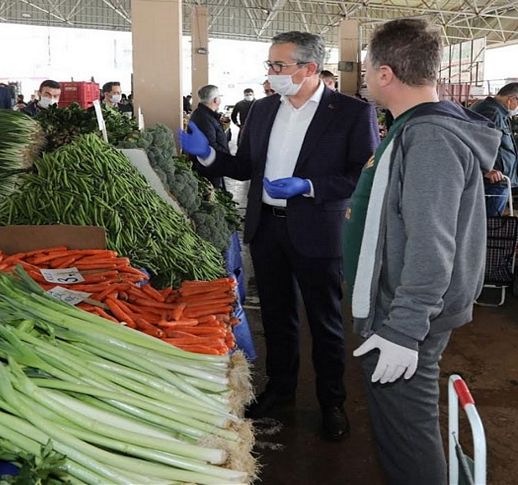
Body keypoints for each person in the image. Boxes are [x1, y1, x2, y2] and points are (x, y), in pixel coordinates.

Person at [180, 31, 379, 441]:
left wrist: (308, 186)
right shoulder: (264, 110)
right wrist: (208, 155)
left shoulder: (350, 113)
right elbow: (244, 167)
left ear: (309, 69)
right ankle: (281, 389)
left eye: (279, 66)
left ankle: (332, 401)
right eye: (269, 65)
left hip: (317, 230)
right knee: (276, 315)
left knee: (324, 321)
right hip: (267, 227)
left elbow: (362, 176)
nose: (271, 74)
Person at [344, 19, 501, 485]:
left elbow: (432, 243)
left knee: (407, 437)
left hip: (405, 315)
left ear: (387, 73)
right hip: (397, 305)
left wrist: (404, 328)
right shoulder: (413, 127)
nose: (366, 76)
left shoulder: (429, 137)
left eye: (369, 67)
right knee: (401, 429)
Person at [470, 82, 518, 216]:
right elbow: (475, 142)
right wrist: (486, 170)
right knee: (491, 227)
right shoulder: (491, 112)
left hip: (497, 181)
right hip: (493, 182)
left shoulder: (494, 110)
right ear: (512, 99)